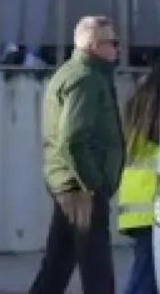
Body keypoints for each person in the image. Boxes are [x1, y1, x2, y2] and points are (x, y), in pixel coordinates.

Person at [29, 16, 124, 294]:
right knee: (97, 271)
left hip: (70, 184)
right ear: (95, 46)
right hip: (81, 188)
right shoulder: (86, 78)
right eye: (113, 42)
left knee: (57, 267)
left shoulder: (75, 73)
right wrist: (94, 183)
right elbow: (73, 138)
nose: (118, 49)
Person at [117, 63, 160, 294]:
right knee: (146, 279)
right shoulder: (159, 109)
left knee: (147, 274)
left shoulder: (137, 103)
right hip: (152, 203)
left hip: (136, 203)